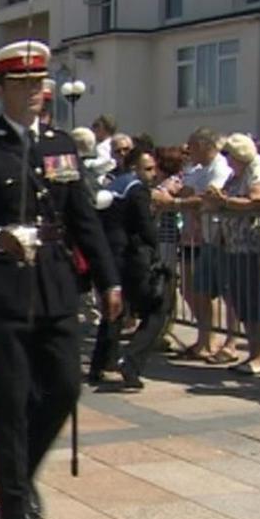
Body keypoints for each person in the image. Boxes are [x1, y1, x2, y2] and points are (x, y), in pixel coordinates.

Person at [0, 39, 121, 519]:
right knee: (10, 399)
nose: (34, 93)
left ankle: (21, 475)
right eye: (22, 84)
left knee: (65, 386)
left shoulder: (60, 145)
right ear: (0, 88)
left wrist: (110, 278)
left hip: (53, 280)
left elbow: (83, 217)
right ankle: (15, 506)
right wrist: (1, 237)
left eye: (39, 84)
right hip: (3, 286)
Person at [88, 148, 166, 389]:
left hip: (109, 254)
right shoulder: (136, 189)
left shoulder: (113, 186)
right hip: (131, 258)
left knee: (115, 308)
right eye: (148, 169)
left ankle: (101, 363)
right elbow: (146, 228)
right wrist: (156, 250)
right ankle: (130, 361)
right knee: (159, 308)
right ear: (135, 168)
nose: (153, 174)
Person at [202, 133, 260, 375]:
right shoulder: (236, 175)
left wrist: (224, 201)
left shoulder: (257, 170)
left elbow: (256, 199)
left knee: (257, 302)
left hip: (254, 245)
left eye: (229, 156)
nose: (227, 160)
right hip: (234, 245)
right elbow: (220, 200)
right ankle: (252, 354)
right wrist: (218, 200)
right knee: (242, 301)